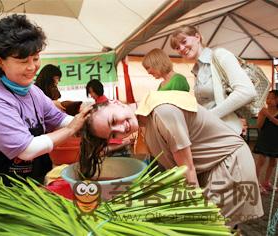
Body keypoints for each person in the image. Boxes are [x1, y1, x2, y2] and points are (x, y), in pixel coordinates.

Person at [80, 90, 262, 226]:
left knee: (206, 225)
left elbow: (187, 170)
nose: (121, 130)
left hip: (229, 165)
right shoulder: (145, 120)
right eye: (113, 135)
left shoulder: (162, 112)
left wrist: (189, 209)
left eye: (113, 121)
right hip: (210, 169)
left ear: (116, 102)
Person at [0, 14, 90, 184]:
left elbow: (59, 119)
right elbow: (26, 150)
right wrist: (72, 129)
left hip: (25, 182)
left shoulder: (34, 92)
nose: (32, 67)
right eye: (23, 61)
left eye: (36, 58)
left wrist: (88, 119)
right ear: (0, 61)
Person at [170, 24, 255, 135]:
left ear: (197, 37)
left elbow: (247, 92)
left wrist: (209, 117)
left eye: (184, 41)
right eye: (177, 48)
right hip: (209, 131)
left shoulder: (220, 55)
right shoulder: (197, 69)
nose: (181, 48)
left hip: (226, 131)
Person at [253, 90, 278, 194]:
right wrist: (263, 115)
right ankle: (256, 184)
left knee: (273, 162)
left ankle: (266, 182)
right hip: (264, 138)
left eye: (272, 98)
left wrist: (268, 115)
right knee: (261, 161)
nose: (269, 100)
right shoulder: (263, 111)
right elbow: (259, 126)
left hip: (275, 140)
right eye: (268, 97)